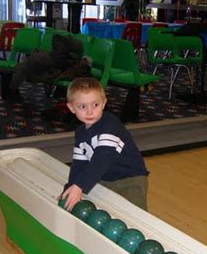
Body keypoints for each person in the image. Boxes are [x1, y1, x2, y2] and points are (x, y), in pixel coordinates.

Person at [60, 77, 149, 211]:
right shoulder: (80, 133)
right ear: (71, 108)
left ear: (104, 103)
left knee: (136, 216)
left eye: (95, 105)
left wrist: (79, 187)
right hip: (104, 179)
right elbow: (79, 164)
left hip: (130, 180)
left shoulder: (110, 124)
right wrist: (70, 188)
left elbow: (102, 159)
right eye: (82, 106)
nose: (90, 111)